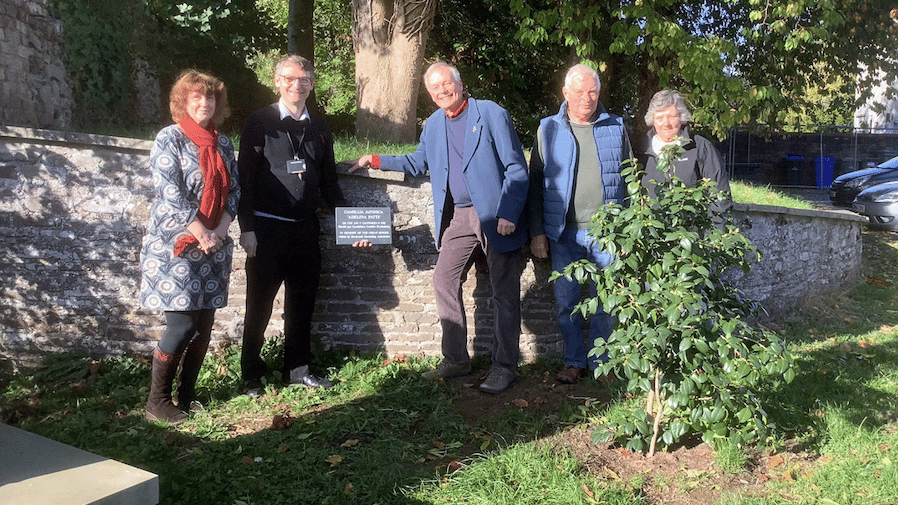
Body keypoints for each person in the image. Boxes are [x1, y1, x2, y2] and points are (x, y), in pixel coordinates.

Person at [349, 61, 529, 394]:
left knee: (503, 292)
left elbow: (517, 169)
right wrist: (373, 160)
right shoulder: (433, 124)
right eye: (434, 88)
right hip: (458, 216)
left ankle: (504, 366)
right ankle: (456, 360)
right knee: (443, 279)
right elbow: (417, 162)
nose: (442, 91)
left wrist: (509, 212)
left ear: (459, 84)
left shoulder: (490, 114)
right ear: (430, 95)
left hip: (495, 215)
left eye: (446, 84)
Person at [238, 55, 369, 396]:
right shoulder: (259, 121)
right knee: (259, 305)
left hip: (306, 229)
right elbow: (246, 180)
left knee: (303, 302)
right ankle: (251, 373)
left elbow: (329, 184)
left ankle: (297, 369)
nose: (297, 85)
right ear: (277, 82)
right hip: (267, 229)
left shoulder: (319, 126)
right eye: (290, 79)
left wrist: (352, 226)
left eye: (304, 80)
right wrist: (247, 228)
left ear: (311, 84)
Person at [140, 70, 239, 423]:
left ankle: (188, 394)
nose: (204, 103)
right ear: (182, 101)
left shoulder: (222, 144)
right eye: (196, 96)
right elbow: (170, 194)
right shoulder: (170, 139)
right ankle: (157, 402)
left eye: (210, 97)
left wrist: (222, 229)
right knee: (181, 325)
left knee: (203, 326)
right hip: (177, 247)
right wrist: (201, 232)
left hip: (214, 247)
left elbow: (235, 192)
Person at [527, 63, 631, 385]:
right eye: (579, 92)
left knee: (606, 303)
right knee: (566, 302)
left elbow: (629, 178)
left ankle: (600, 363)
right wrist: (537, 233)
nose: (587, 98)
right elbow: (534, 185)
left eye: (593, 92)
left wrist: (627, 230)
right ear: (565, 93)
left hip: (607, 233)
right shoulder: (548, 129)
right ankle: (573, 361)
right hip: (563, 234)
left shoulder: (616, 126)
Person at [637, 90, 731, 208]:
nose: (666, 123)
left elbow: (720, 198)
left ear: (681, 118)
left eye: (672, 116)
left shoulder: (700, 147)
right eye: (659, 118)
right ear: (652, 121)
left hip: (693, 225)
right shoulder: (640, 151)